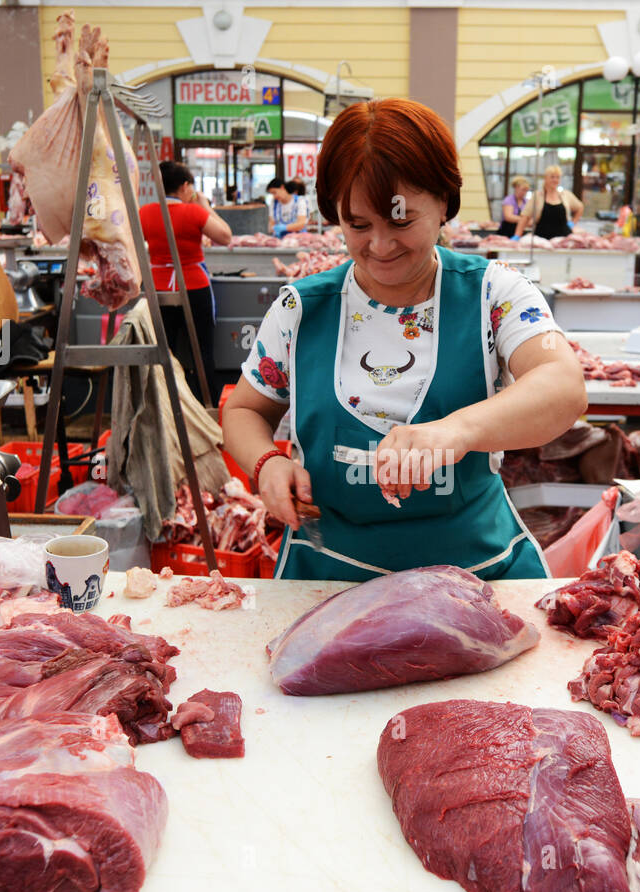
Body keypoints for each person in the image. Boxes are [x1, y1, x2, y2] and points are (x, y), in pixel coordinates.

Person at [223, 98, 587, 581]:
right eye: (357, 224)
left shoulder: (494, 293)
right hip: (327, 578)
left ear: (444, 204)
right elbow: (245, 410)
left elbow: (562, 386)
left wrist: (458, 431)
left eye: (400, 221)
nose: (379, 245)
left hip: (478, 576)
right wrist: (267, 462)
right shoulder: (301, 310)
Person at [139, 161, 233, 402]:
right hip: (193, 285)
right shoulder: (194, 212)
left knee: (163, 349)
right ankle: (205, 402)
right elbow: (225, 236)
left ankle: (163, 403)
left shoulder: (144, 212)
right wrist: (205, 206)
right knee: (201, 351)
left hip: (157, 286)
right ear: (184, 186)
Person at [516, 165, 583, 239]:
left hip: (563, 238)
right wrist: (517, 235)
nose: (555, 180)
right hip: (541, 238)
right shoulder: (537, 196)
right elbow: (525, 216)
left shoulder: (565, 195)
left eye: (557, 177)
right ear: (546, 178)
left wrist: (572, 223)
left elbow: (580, 207)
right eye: (552, 177)